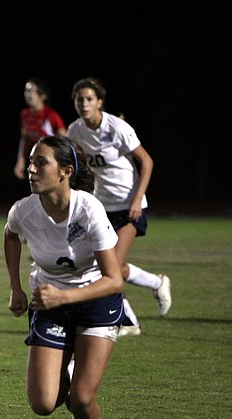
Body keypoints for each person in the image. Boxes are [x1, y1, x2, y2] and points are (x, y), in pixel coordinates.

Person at [4, 135, 128, 419]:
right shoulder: (24, 210)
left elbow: (114, 279)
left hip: (96, 302)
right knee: (43, 404)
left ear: (65, 172)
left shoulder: (88, 208)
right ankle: (70, 367)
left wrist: (64, 298)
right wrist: (15, 287)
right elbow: (11, 234)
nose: (30, 168)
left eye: (40, 162)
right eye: (30, 161)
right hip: (51, 304)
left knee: (82, 399)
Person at [67, 77, 171, 335]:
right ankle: (155, 284)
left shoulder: (116, 127)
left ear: (99, 102)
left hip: (128, 206)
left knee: (108, 269)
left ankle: (127, 320)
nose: (84, 103)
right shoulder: (75, 131)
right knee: (105, 266)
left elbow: (146, 162)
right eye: (79, 99)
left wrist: (137, 200)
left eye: (89, 98)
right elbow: (78, 168)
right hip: (102, 206)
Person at [14, 78, 67, 180]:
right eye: (27, 90)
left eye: (32, 91)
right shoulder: (25, 114)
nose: (28, 94)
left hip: (51, 162)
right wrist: (20, 160)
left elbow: (64, 140)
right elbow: (25, 138)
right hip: (35, 161)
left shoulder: (51, 115)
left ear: (43, 95)